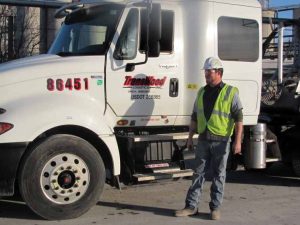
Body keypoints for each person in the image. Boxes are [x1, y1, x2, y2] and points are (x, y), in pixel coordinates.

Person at [175, 57, 243, 220]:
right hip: (204, 139)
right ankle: (191, 206)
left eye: (209, 71)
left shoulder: (231, 92)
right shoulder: (201, 92)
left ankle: (215, 208)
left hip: (221, 141)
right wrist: (190, 137)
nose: (206, 74)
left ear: (218, 73)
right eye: (205, 71)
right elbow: (194, 116)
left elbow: (239, 118)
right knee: (198, 173)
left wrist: (238, 141)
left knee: (219, 175)